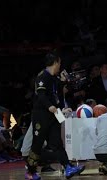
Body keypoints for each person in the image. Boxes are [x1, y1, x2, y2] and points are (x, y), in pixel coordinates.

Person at [25, 52, 84, 180]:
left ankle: (68, 167)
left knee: (58, 142)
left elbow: (59, 96)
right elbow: (41, 95)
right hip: (42, 114)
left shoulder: (55, 78)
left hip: (55, 113)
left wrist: (63, 106)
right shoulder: (42, 76)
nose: (60, 66)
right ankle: (30, 172)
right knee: (37, 143)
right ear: (56, 62)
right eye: (59, 63)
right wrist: (49, 106)